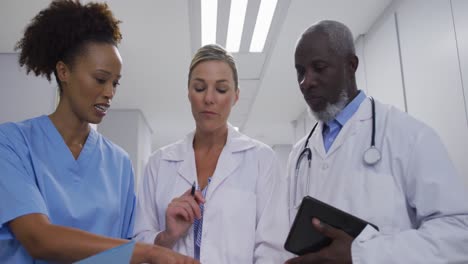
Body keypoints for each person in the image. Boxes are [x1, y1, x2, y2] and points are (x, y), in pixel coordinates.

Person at [0, 1, 198, 263]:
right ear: (63, 71)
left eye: (115, 83)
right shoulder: (13, 144)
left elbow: (127, 250)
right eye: (100, 79)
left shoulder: (118, 163)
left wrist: (166, 239)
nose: (110, 93)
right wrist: (150, 251)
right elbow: (38, 239)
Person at [285, 20, 468, 263]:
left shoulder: (408, 135)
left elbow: (458, 232)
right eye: (301, 71)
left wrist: (363, 254)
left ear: (351, 65)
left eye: (319, 67)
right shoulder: (299, 155)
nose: (306, 82)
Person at [133, 44, 290, 263]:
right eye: (199, 88)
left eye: (221, 89)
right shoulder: (159, 163)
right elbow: (139, 244)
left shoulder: (262, 160)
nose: (209, 99)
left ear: (235, 96)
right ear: (188, 92)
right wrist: (166, 237)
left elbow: (272, 249)